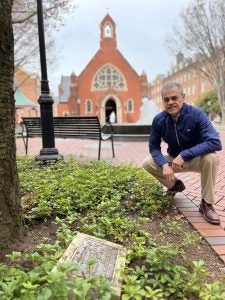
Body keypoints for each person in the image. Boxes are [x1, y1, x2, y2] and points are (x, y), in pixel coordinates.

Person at [142, 82, 222, 225]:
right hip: (173, 159)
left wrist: (185, 155)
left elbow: (215, 142)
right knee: (147, 163)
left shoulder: (196, 114)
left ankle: (206, 204)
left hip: (197, 158)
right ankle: (175, 185)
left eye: (174, 98)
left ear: (183, 97)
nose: (170, 102)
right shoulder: (159, 120)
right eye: (166, 100)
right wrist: (164, 165)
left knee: (212, 158)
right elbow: (154, 147)